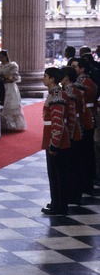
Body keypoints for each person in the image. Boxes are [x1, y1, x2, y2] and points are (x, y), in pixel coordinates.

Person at [41, 67, 71, 215]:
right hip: (53, 137)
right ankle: (56, 202)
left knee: (58, 175)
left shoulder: (57, 95)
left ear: (52, 79)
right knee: (54, 174)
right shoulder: (54, 93)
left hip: (56, 139)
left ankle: (60, 205)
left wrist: (54, 143)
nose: (43, 78)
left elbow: (57, 121)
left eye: (45, 76)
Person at [69, 56, 97, 194]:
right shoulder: (83, 81)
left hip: (85, 118)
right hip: (86, 117)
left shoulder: (83, 83)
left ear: (82, 69)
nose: (73, 69)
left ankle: (85, 183)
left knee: (84, 153)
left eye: (75, 67)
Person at [59, 66, 82, 205]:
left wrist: (71, 135)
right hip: (71, 132)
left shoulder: (71, 91)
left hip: (72, 133)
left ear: (66, 77)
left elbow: (72, 115)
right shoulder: (69, 89)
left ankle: (73, 194)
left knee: (72, 166)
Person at [0, 50, 27, 131]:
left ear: (6, 56)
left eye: (2, 57)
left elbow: (15, 77)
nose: (0, 59)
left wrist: (6, 77)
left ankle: (15, 125)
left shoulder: (12, 65)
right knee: (2, 104)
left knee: (12, 105)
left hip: (10, 87)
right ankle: (4, 125)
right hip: (2, 87)